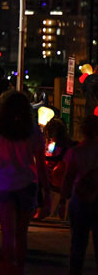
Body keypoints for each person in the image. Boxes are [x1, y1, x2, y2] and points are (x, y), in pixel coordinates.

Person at [0, 92, 50, 273]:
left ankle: (7, 269)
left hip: (4, 184)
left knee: (7, 234)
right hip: (28, 183)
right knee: (21, 234)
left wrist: (0, 162)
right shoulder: (33, 131)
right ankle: (19, 268)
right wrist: (47, 193)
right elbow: (41, 165)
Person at [59, 115, 98, 275]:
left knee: (78, 242)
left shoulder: (76, 152)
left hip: (80, 199)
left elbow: (68, 177)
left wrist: (62, 201)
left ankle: (75, 270)